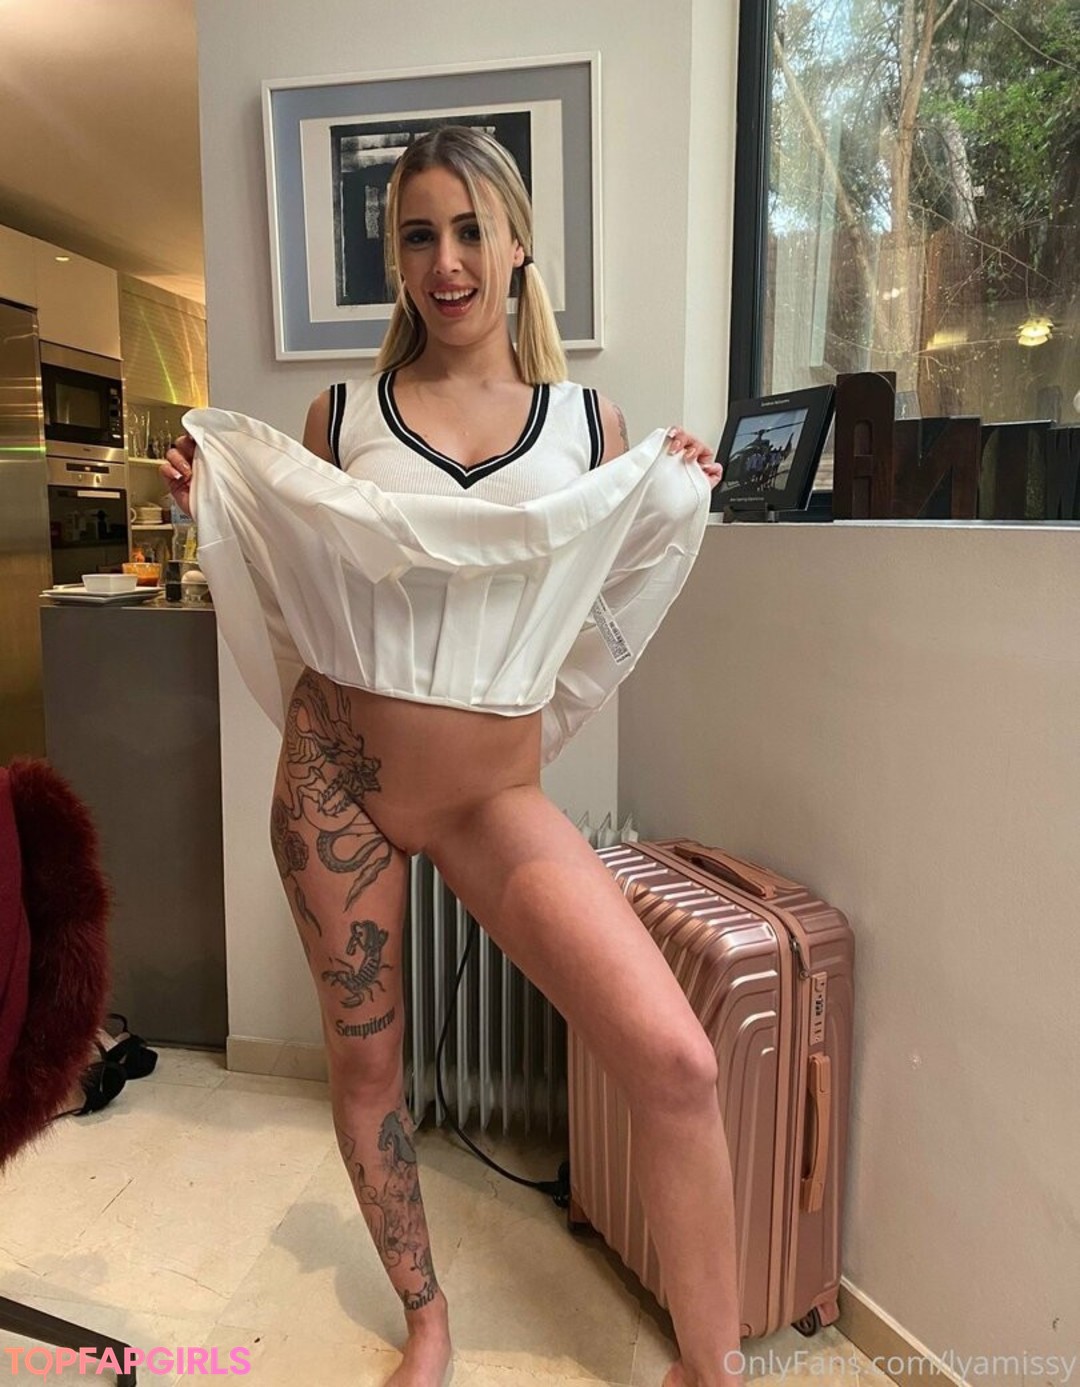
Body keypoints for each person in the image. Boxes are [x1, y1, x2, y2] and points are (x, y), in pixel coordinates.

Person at [163, 125, 741, 1387]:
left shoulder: (588, 420)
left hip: (490, 799)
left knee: (677, 1061)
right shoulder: (341, 412)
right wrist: (205, 496)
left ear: (521, 244)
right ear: (398, 259)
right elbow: (288, 565)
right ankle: (426, 1315)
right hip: (337, 786)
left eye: (473, 229)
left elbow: (608, 583)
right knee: (369, 1066)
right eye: (419, 235)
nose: (448, 261)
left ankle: (714, 1370)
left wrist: (674, 485)